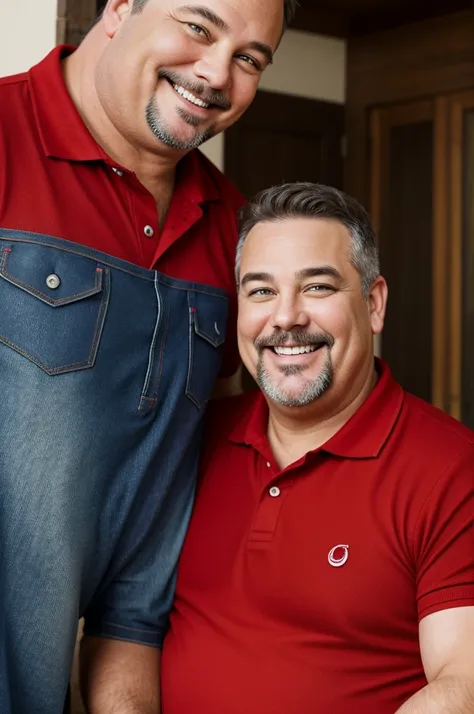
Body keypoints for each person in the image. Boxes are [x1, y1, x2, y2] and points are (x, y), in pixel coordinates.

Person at [0, 0, 297, 712]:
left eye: (251, 58)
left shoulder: (235, 230)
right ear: (119, 7)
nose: (217, 73)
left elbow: (144, 572)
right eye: (199, 27)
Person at [160, 182, 474, 713]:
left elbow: (462, 682)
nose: (285, 317)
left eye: (318, 287)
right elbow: (123, 626)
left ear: (373, 305)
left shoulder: (451, 468)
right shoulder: (190, 438)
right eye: (260, 291)